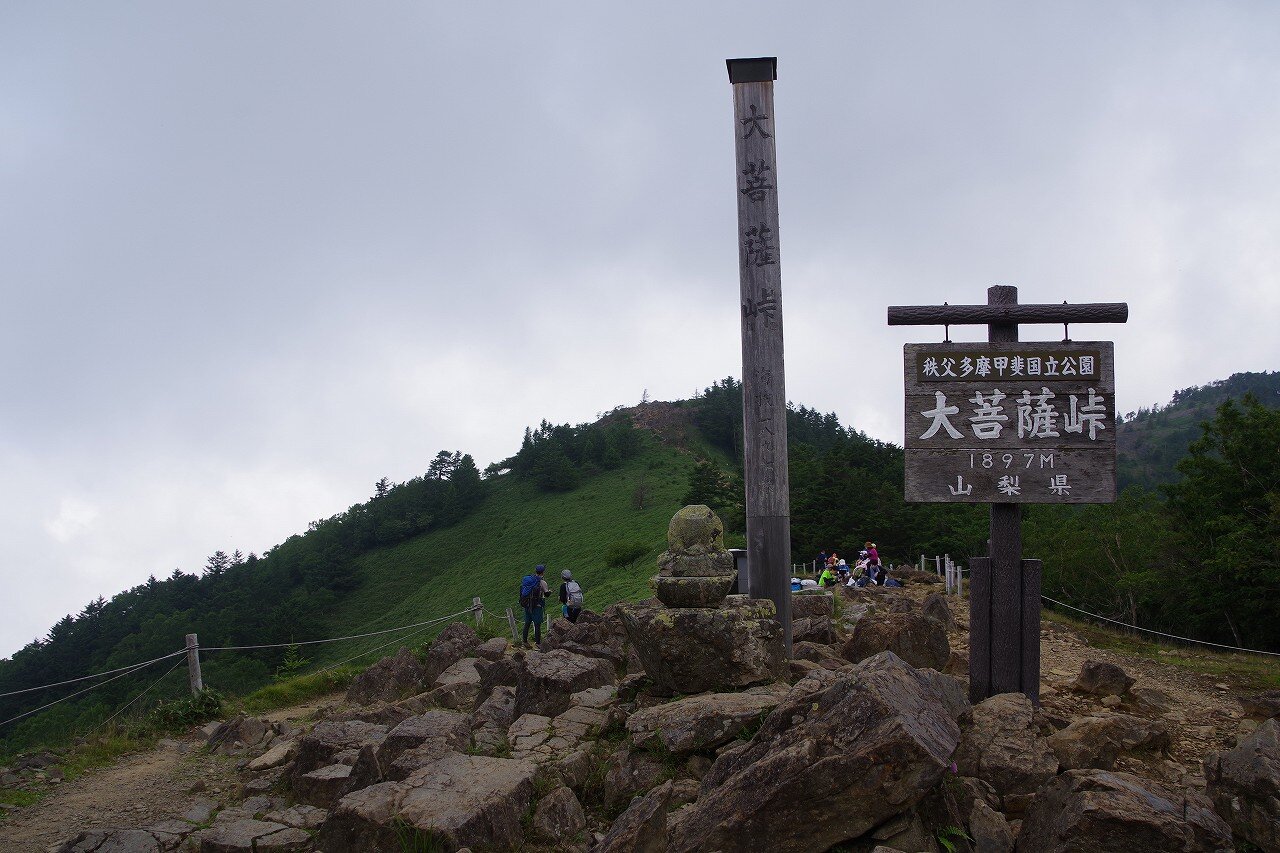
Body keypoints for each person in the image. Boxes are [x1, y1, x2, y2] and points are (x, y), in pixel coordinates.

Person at [519, 564, 550, 646]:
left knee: (527, 623)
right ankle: (538, 643)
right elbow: (546, 594)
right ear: (543, 572)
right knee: (537, 625)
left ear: (535, 571)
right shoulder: (542, 582)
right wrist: (549, 591)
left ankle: (524, 641)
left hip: (527, 605)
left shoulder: (529, 580)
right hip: (537, 606)